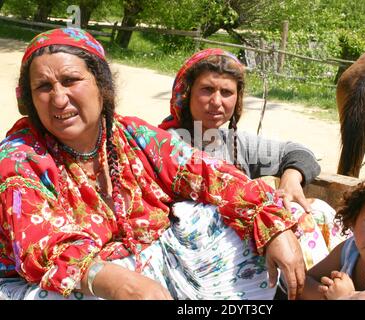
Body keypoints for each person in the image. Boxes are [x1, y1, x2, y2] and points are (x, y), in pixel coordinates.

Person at [0, 28, 306, 300]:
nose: (58, 99)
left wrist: (273, 225)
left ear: (101, 85)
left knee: (227, 216)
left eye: (70, 81)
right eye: (43, 87)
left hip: (150, 270)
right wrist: (110, 280)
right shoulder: (19, 159)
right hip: (83, 283)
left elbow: (209, 173)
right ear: (29, 98)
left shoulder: (133, 134)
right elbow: (41, 247)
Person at [159, 48, 346, 270]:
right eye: (207, 90)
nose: (217, 101)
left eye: (227, 92)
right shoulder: (165, 144)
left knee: (319, 211)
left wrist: (292, 178)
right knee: (295, 218)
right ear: (186, 94)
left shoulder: (235, 143)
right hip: (199, 255)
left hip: (244, 242)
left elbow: (298, 152)